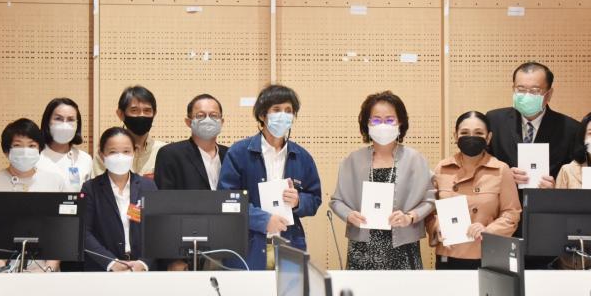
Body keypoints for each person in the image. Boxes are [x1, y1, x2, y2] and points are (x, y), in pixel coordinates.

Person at [218, 84, 322, 270]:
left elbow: (314, 199)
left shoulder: (302, 156)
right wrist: (262, 220)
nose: (283, 115)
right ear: (262, 115)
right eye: (276, 109)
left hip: (290, 244)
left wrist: (299, 201)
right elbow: (227, 200)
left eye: (288, 111)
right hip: (248, 247)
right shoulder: (239, 152)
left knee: (289, 290)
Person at [330, 91, 434, 270]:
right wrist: (349, 215)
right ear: (367, 124)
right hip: (362, 249)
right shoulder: (352, 160)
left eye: (390, 120)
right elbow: (336, 201)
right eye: (376, 120)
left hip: (403, 247)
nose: (383, 125)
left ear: (400, 123)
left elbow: (430, 199)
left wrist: (410, 217)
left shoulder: (415, 159)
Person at [425, 111, 521, 269]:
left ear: (488, 137)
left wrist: (488, 230)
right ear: (455, 136)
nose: (471, 137)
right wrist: (437, 227)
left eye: (478, 133)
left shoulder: (501, 170)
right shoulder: (442, 168)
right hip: (448, 254)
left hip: (487, 253)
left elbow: (511, 213)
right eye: (464, 133)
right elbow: (429, 211)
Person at [0, 118, 67, 271]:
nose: (25, 151)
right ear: (6, 151)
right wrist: (4, 269)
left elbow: (62, 230)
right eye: (18, 145)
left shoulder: (55, 182)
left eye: (32, 145)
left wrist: (50, 268)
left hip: (44, 272)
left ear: (40, 149)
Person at [486, 61, 580, 187]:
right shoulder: (494, 121)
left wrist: (557, 189)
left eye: (535, 90)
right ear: (513, 89)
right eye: (521, 89)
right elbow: (481, 165)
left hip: (548, 199)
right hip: (505, 198)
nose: (527, 95)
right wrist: (503, 175)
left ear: (549, 94)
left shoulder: (570, 129)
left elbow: (575, 178)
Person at [81, 128, 157, 272]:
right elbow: (85, 233)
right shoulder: (90, 188)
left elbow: (157, 230)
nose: (120, 157)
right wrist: (111, 262)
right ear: (102, 155)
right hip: (103, 270)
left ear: (134, 152)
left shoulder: (148, 186)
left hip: (141, 270)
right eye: (113, 152)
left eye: (126, 151)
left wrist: (144, 263)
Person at [155, 94, 229, 191]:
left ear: (221, 122)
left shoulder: (230, 155)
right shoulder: (170, 154)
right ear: (188, 122)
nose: (208, 120)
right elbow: (164, 197)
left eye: (214, 115)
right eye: (200, 116)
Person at [93, 85, 166, 178]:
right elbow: (99, 185)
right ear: (120, 114)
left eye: (147, 110)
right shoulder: (108, 152)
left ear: (154, 114)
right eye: (134, 110)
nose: (141, 115)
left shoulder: (163, 152)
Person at [37, 97, 93, 191]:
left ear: (77, 125)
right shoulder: (35, 157)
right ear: (47, 122)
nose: (64, 125)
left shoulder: (85, 159)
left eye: (71, 119)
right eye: (58, 118)